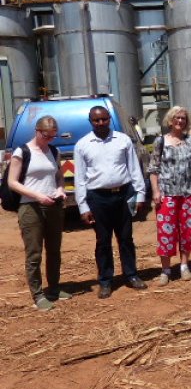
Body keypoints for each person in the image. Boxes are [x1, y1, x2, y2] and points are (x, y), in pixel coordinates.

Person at [75, 106, 147, 298]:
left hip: (124, 195)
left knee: (126, 238)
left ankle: (131, 274)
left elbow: (134, 169)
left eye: (104, 119)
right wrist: (83, 206)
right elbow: (80, 179)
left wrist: (140, 195)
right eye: (96, 120)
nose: (101, 123)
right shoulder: (83, 145)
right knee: (103, 241)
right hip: (98, 198)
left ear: (109, 119)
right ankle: (106, 281)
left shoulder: (123, 140)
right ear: (91, 122)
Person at [7, 116, 69, 311]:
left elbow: (58, 176)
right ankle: (38, 294)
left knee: (54, 250)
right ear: (37, 131)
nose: (49, 139)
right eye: (46, 135)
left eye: (53, 136)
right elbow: (12, 182)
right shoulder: (22, 152)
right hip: (30, 207)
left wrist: (60, 189)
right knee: (34, 253)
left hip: (53, 205)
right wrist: (37, 196)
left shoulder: (53, 151)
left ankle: (54, 288)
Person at [148, 106, 191, 285]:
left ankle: (184, 266)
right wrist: (156, 191)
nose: (180, 121)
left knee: (187, 231)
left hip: (187, 193)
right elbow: (153, 169)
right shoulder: (161, 141)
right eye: (177, 118)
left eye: (183, 118)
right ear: (170, 120)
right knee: (166, 232)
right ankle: (165, 270)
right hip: (167, 195)